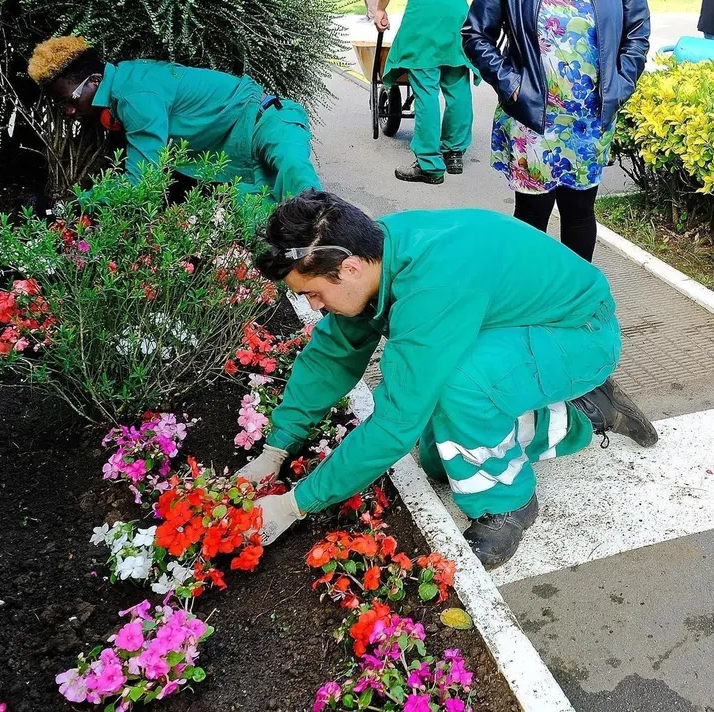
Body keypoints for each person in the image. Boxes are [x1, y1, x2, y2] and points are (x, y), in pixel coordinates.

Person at [245, 191, 658, 568]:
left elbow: (395, 425)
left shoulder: (431, 284)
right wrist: (276, 449)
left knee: (457, 388)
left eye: (314, 293)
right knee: (440, 457)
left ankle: (508, 503)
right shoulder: (376, 253)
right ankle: (589, 410)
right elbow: (330, 359)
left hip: (581, 335)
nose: (315, 306)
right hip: (518, 326)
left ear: (348, 268)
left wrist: (297, 504)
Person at [462, 0, 650, 261]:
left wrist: (620, 87)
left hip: (590, 120)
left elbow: (637, 36)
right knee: (532, 212)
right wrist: (509, 83)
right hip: (532, 116)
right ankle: (528, 296)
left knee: (580, 211)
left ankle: (575, 297)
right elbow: (475, 34)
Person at [26, 36, 321, 204]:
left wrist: (76, 203)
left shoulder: (134, 96)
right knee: (266, 227)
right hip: (238, 159)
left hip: (268, 123)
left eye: (69, 99)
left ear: (94, 81)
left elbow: (142, 182)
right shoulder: (123, 85)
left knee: (305, 195)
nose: (68, 110)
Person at [375, 0, 476, 184]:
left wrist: (380, 9)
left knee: (425, 91)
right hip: (456, 11)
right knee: (458, 87)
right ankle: (454, 153)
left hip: (424, 14)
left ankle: (429, 164)